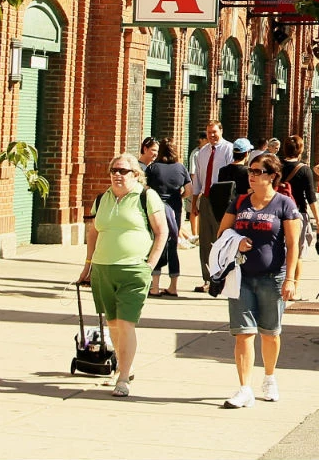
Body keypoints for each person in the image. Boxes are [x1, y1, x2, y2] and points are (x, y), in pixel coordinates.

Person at [76, 153, 168, 397]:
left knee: (126, 323)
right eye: (114, 170)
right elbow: (94, 233)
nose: (117, 175)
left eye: (123, 171)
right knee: (113, 324)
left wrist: (149, 265)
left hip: (133, 270)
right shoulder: (102, 198)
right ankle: (123, 366)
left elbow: (162, 232)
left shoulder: (146, 196)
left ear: (136, 174)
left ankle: (124, 378)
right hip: (103, 269)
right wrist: (88, 265)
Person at [215, 152, 302, 408]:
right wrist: (236, 241)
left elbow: (293, 244)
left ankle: (269, 377)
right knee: (243, 334)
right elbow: (223, 232)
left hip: (272, 278)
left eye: (257, 172)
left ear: (272, 176)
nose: (251, 176)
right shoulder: (240, 201)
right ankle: (244, 388)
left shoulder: (284, 204)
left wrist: (291, 279)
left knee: (270, 333)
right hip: (240, 277)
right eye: (250, 171)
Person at [143, 139, 191, 298]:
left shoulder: (153, 168)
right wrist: (178, 197)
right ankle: (173, 287)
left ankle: (155, 286)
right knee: (172, 246)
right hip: (174, 210)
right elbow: (189, 190)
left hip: (156, 209)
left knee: (157, 244)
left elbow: (145, 188)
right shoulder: (181, 168)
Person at [276, 137, 319, 291]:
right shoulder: (304, 169)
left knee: (279, 247)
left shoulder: (276, 166)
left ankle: (278, 281)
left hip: (277, 212)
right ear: (301, 150)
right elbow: (311, 197)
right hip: (297, 214)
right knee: (297, 250)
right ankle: (293, 286)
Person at [190, 121, 232, 290]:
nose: (211, 135)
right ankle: (208, 279)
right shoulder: (202, 152)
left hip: (222, 198)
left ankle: (222, 276)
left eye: (214, 132)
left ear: (221, 131)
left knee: (221, 239)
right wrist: (194, 203)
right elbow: (198, 180)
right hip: (206, 198)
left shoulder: (228, 149)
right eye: (209, 133)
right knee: (205, 239)